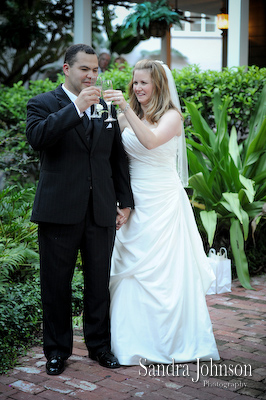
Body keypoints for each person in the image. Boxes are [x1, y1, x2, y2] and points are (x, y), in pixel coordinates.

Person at [26, 44, 134, 375]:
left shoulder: (105, 108)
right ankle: (57, 351)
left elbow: (116, 157)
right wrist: (76, 108)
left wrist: (125, 201)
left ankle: (99, 346)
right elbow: (38, 138)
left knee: (98, 283)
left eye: (95, 70)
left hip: (100, 209)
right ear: (66, 70)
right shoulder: (42, 104)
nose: (91, 75)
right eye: (84, 69)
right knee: (56, 284)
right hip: (58, 211)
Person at [104, 59, 220, 365]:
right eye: (134, 82)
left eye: (144, 82)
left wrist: (126, 111)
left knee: (166, 273)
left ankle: (172, 340)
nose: (137, 88)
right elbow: (116, 159)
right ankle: (130, 343)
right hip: (135, 201)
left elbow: (152, 141)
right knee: (131, 272)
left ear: (159, 85)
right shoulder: (130, 115)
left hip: (163, 201)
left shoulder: (172, 117)